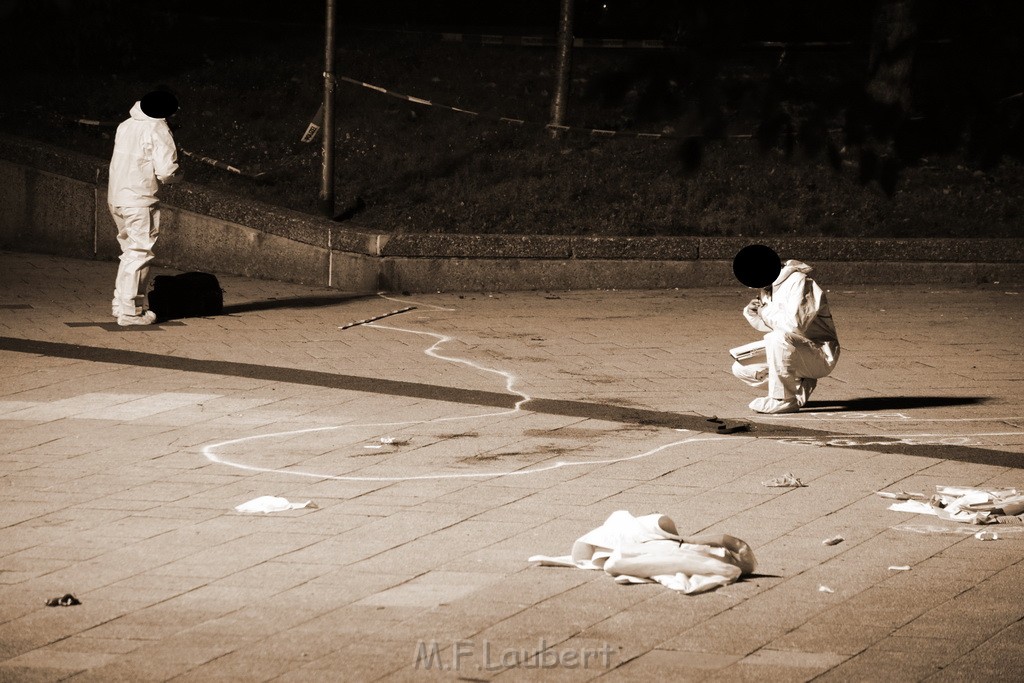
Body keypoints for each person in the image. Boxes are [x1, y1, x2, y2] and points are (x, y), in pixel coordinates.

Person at [730, 244, 840, 414]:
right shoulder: (769, 286)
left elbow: (795, 325)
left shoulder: (800, 282)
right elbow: (771, 326)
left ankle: (783, 399)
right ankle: (798, 383)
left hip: (819, 354)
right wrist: (754, 314)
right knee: (741, 367)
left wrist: (764, 311)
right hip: (795, 348)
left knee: (777, 338)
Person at [108, 90, 181, 326]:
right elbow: (166, 171)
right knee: (140, 253)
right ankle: (131, 312)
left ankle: (120, 304)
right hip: (140, 199)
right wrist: (179, 176)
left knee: (129, 251)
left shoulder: (126, 125)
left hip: (117, 196)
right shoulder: (158, 128)